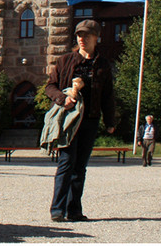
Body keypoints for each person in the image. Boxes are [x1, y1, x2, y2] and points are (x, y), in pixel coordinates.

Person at [45, 19, 115, 222]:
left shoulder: (102, 64)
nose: (82, 39)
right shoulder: (65, 61)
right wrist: (62, 98)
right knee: (66, 162)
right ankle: (57, 209)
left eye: (86, 35)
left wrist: (110, 121)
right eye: (79, 35)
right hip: (69, 120)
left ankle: (74, 210)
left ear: (96, 37)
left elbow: (108, 95)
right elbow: (50, 86)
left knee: (80, 167)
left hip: (90, 120)